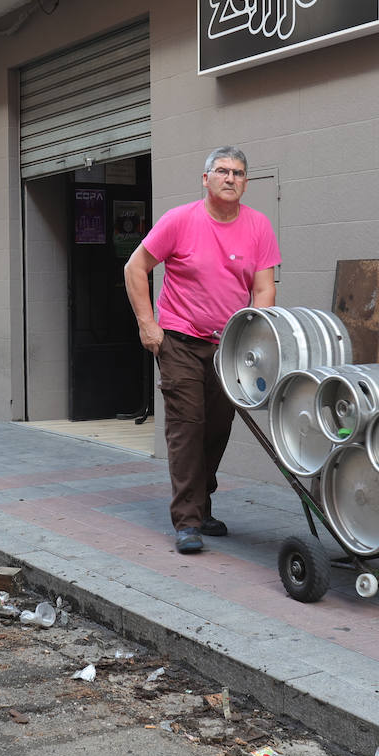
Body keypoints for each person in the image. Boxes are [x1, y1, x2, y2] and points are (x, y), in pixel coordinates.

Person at [124, 146, 280, 554]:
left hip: (229, 348)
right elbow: (134, 267)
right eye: (223, 171)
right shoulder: (180, 220)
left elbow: (264, 289)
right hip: (179, 340)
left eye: (239, 173)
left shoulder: (259, 226)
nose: (231, 178)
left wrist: (252, 337)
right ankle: (188, 520)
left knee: (218, 428)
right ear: (206, 178)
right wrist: (148, 325)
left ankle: (202, 502)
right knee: (187, 427)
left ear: (246, 182)